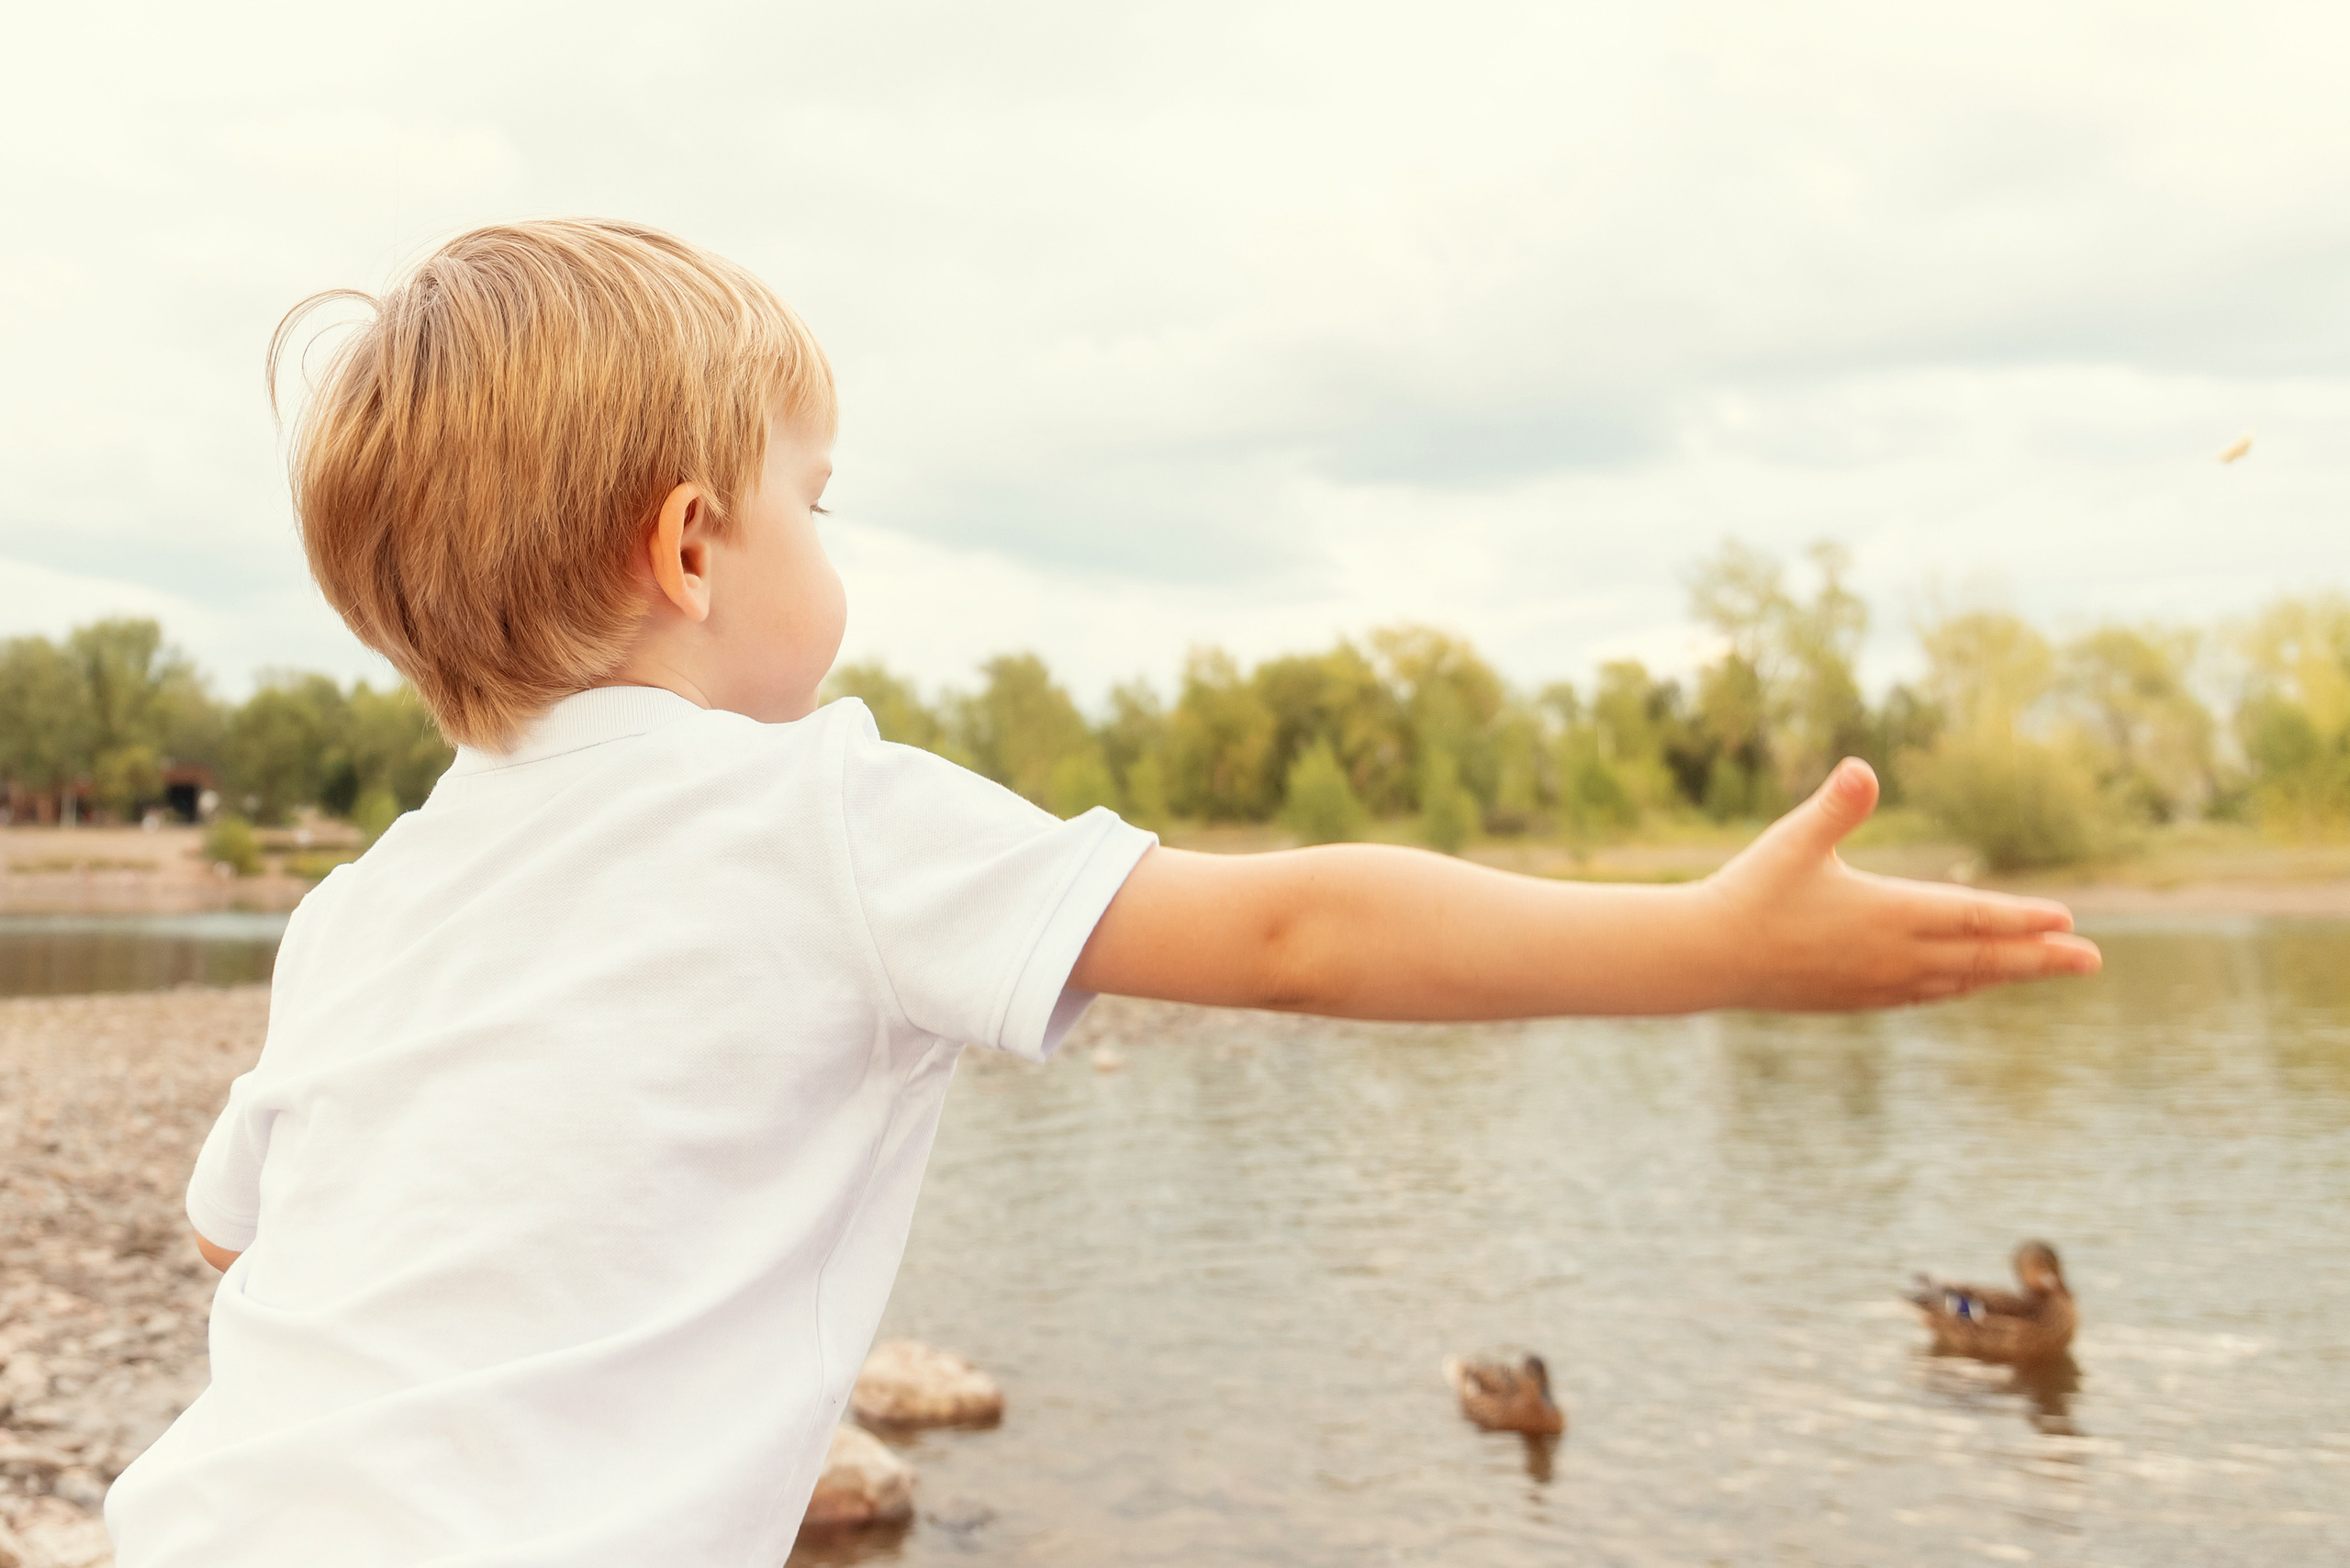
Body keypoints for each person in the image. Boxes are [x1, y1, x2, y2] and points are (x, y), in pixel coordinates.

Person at [104, 218, 2099, 1566]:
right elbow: (1295, 930)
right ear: (694, 545)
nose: (830, 533)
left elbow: (235, 1249)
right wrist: (1698, 945)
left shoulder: (365, 906)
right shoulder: (812, 811)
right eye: (820, 491)